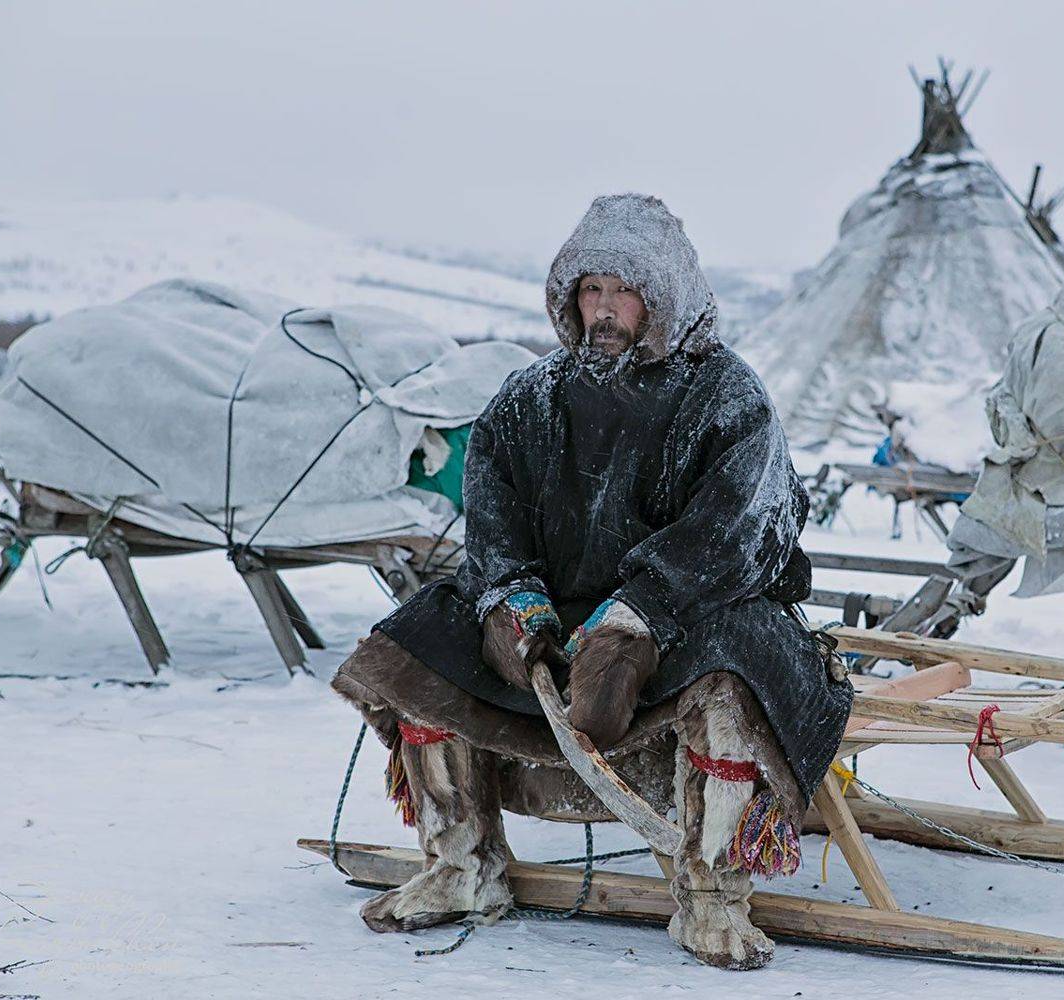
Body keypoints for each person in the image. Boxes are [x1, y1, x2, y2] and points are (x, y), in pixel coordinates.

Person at [330, 193, 853, 970]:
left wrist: (636, 618)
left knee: (735, 675)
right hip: (562, 618)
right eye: (589, 290)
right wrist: (513, 602)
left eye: (623, 290)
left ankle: (711, 895)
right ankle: (461, 866)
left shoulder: (727, 397)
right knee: (423, 636)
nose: (603, 310)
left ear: (665, 296)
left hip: (692, 611)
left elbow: (741, 528)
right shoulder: (530, 398)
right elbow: (494, 516)